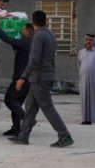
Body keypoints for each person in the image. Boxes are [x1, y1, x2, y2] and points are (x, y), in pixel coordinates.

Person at [10, 10, 74, 147]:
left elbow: (34, 60)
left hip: (39, 77)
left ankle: (64, 135)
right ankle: (23, 136)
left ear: (33, 21)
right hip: (44, 76)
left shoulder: (38, 36)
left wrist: (22, 77)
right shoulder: (50, 35)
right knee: (30, 107)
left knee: (47, 107)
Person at [0, 19, 33, 136]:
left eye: (22, 29)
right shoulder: (28, 43)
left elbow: (7, 39)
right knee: (16, 103)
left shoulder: (25, 42)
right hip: (25, 79)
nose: (20, 30)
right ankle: (16, 128)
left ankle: (27, 119)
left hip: (21, 79)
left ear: (28, 32)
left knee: (9, 100)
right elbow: (14, 45)